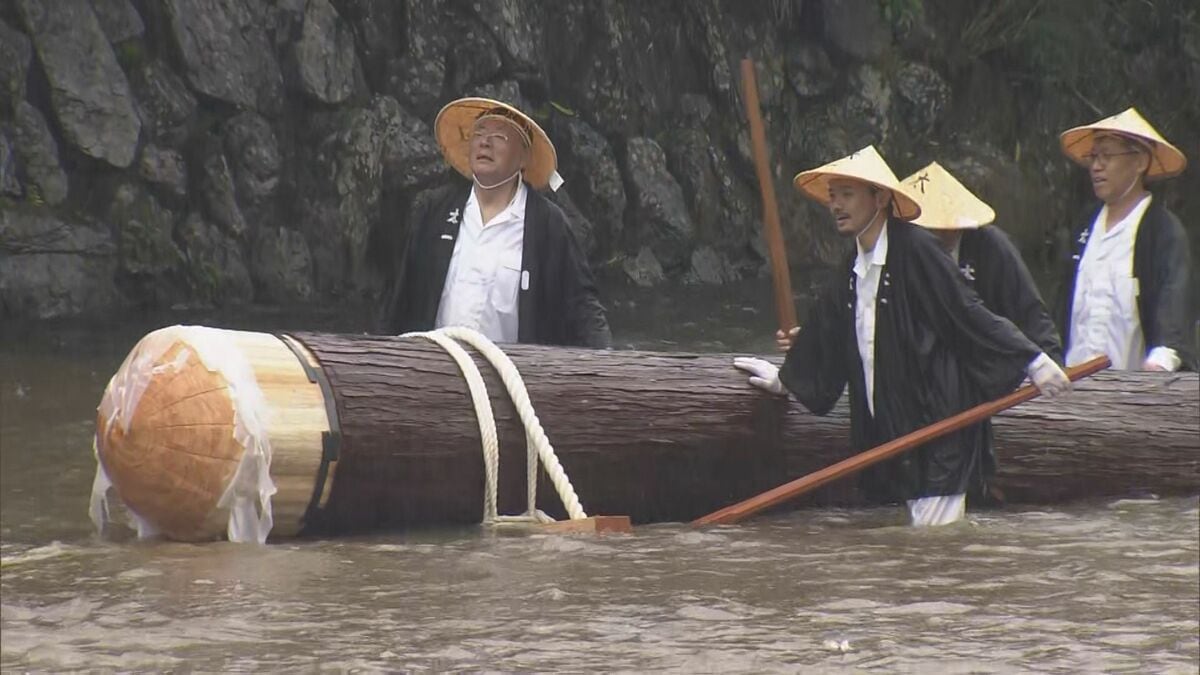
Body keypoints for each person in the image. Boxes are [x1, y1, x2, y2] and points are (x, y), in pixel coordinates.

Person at [735, 146, 1070, 527]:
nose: (836, 205)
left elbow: (968, 312)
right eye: (833, 195)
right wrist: (786, 379)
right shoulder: (853, 265)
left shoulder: (918, 249)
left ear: (879, 198)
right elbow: (829, 331)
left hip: (939, 424)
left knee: (932, 546)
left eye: (847, 194)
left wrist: (1033, 359)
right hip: (894, 430)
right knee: (903, 546)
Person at [378, 97, 612, 348]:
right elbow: (400, 298)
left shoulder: (547, 224)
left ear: (523, 157)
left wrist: (607, 361)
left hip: (512, 369)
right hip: (434, 362)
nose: (485, 142)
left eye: (499, 136)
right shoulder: (435, 210)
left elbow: (583, 308)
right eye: (478, 133)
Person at [1056, 107, 1193, 371]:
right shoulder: (1085, 226)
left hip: (1133, 387)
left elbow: (1174, 306)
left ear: (1140, 161)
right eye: (1093, 156)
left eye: (1107, 156)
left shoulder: (1162, 231)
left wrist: (1160, 362)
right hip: (1073, 385)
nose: (1096, 166)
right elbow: (1062, 304)